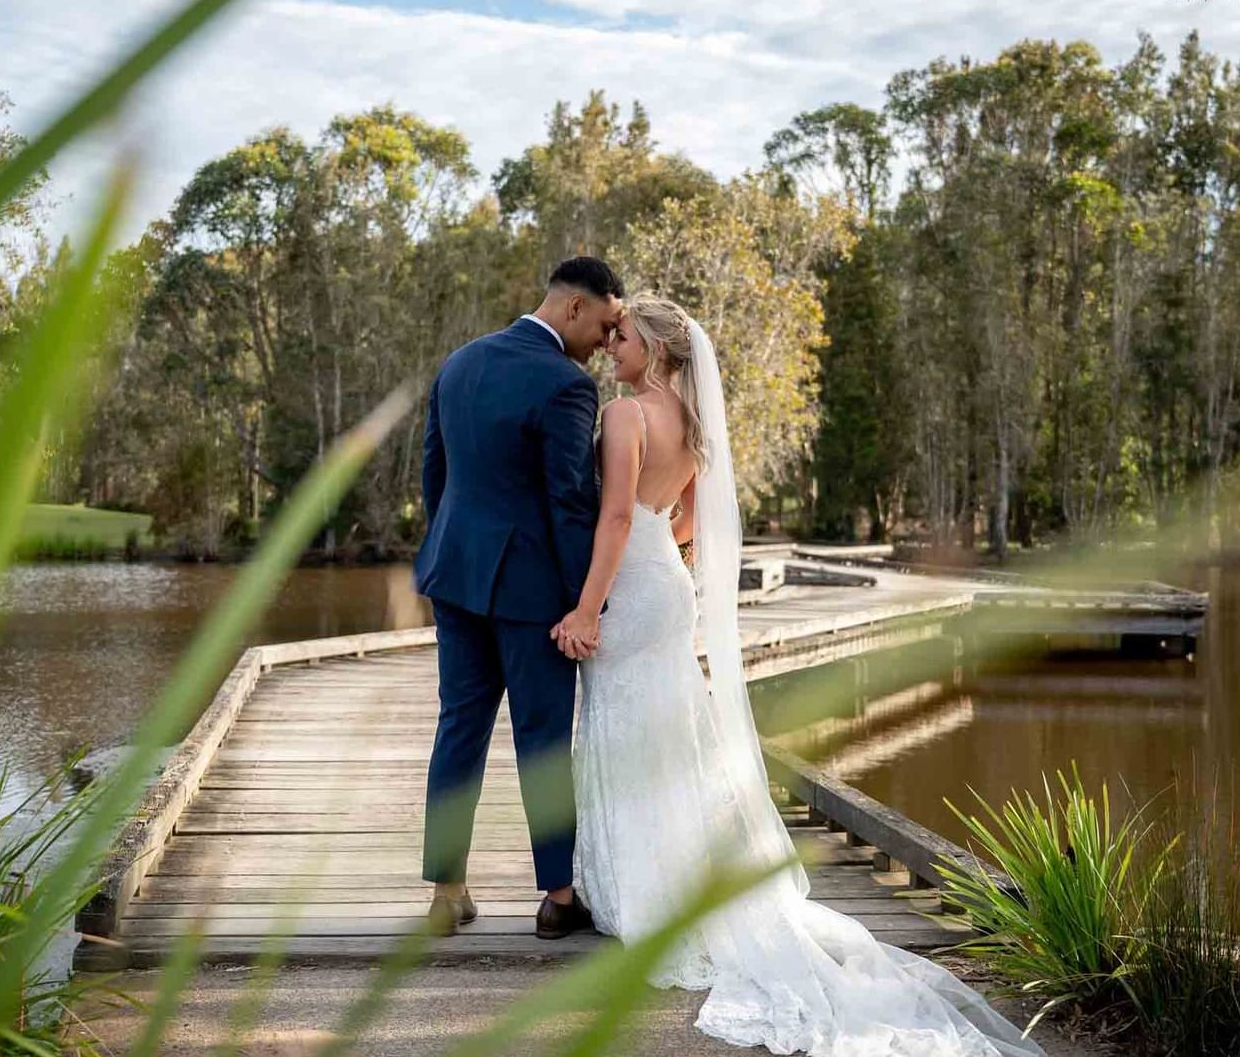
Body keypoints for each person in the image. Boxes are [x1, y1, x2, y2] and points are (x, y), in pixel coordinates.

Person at [554, 294, 1046, 1057]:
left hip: (629, 591)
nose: (611, 346)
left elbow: (616, 519)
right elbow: (686, 522)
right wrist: (655, 538)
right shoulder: (692, 426)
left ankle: (643, 895)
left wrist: (587, 609)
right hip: (669, 594)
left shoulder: (625, 417)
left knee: (626, 735)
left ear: (654, 348)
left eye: (622, 337)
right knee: (671, 736)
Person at [412, 256, 624, 940]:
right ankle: (558, 898)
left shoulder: (460, 362)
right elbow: (569, 501)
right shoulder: (566, 385)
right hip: (532, 593)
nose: (604, 340)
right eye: (603, 322)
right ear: (572, 310)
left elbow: (434, 475)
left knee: (459, 728)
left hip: (456, 576)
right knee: (541, 740)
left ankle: (447, 892)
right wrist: (583, 603)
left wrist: (451, 549)